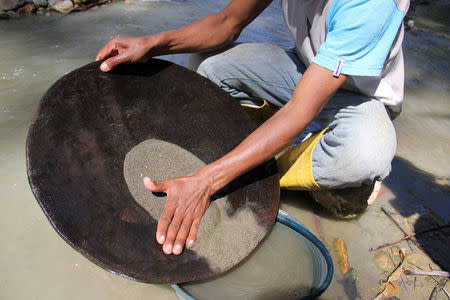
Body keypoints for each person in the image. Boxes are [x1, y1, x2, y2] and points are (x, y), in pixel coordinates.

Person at [96, 0, 409, 255]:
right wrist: (154, 43)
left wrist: (206, 182)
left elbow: (301, 110)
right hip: (309, 68)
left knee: (366, 152)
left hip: (362, 97)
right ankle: (252, 157)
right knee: (211, 67)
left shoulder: (371, 5)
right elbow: (227, 22)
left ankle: (266, 175)